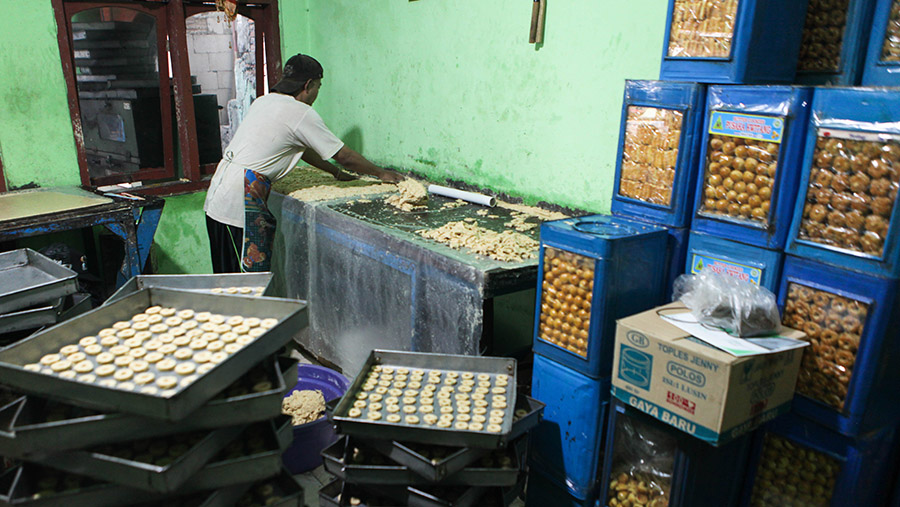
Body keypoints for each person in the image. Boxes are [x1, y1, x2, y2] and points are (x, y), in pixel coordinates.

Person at [204, 53, 402, 273]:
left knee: (227, 280)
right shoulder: (300, 112)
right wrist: (381, 173)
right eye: (318, 86)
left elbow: (304, 149)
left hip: (219, 193)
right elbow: (344, 155)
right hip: (236, 204)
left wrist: (335, 174)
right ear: (308, 85)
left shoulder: (264, 101)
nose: (317, 92)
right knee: (243, 285)